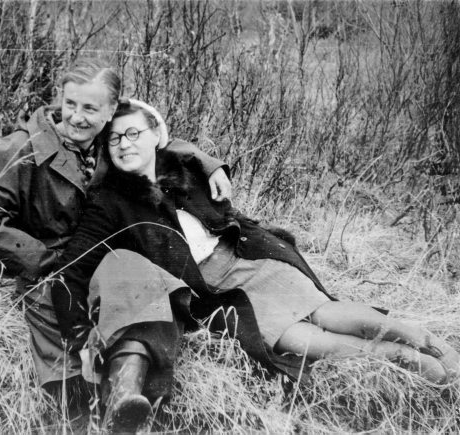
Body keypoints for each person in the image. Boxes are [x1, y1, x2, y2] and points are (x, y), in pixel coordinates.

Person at [52, 99, 460, 432]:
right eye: (114, 139)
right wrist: (78, 334)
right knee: (305, 341)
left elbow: (205, 178)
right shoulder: (109, 202)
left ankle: (424, 339)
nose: (124, 144)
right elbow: (72, 271)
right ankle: (399, 357)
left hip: (248, 258)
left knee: (325, 311)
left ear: (156, 136)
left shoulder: (186, 169)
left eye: (133, 134)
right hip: (215, 291)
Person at [0, 59, 233, 411]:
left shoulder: (107, 136)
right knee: (72, 371)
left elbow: (157, 140)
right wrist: (45, 261)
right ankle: (87, 409)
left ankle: (128, 396)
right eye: (70, 104)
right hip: (56, 267)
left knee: (151, 300)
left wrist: (208, 164)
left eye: (90, 109)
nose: (77, 117)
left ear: (109, 111)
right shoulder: (21, 150)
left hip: (109, 257)